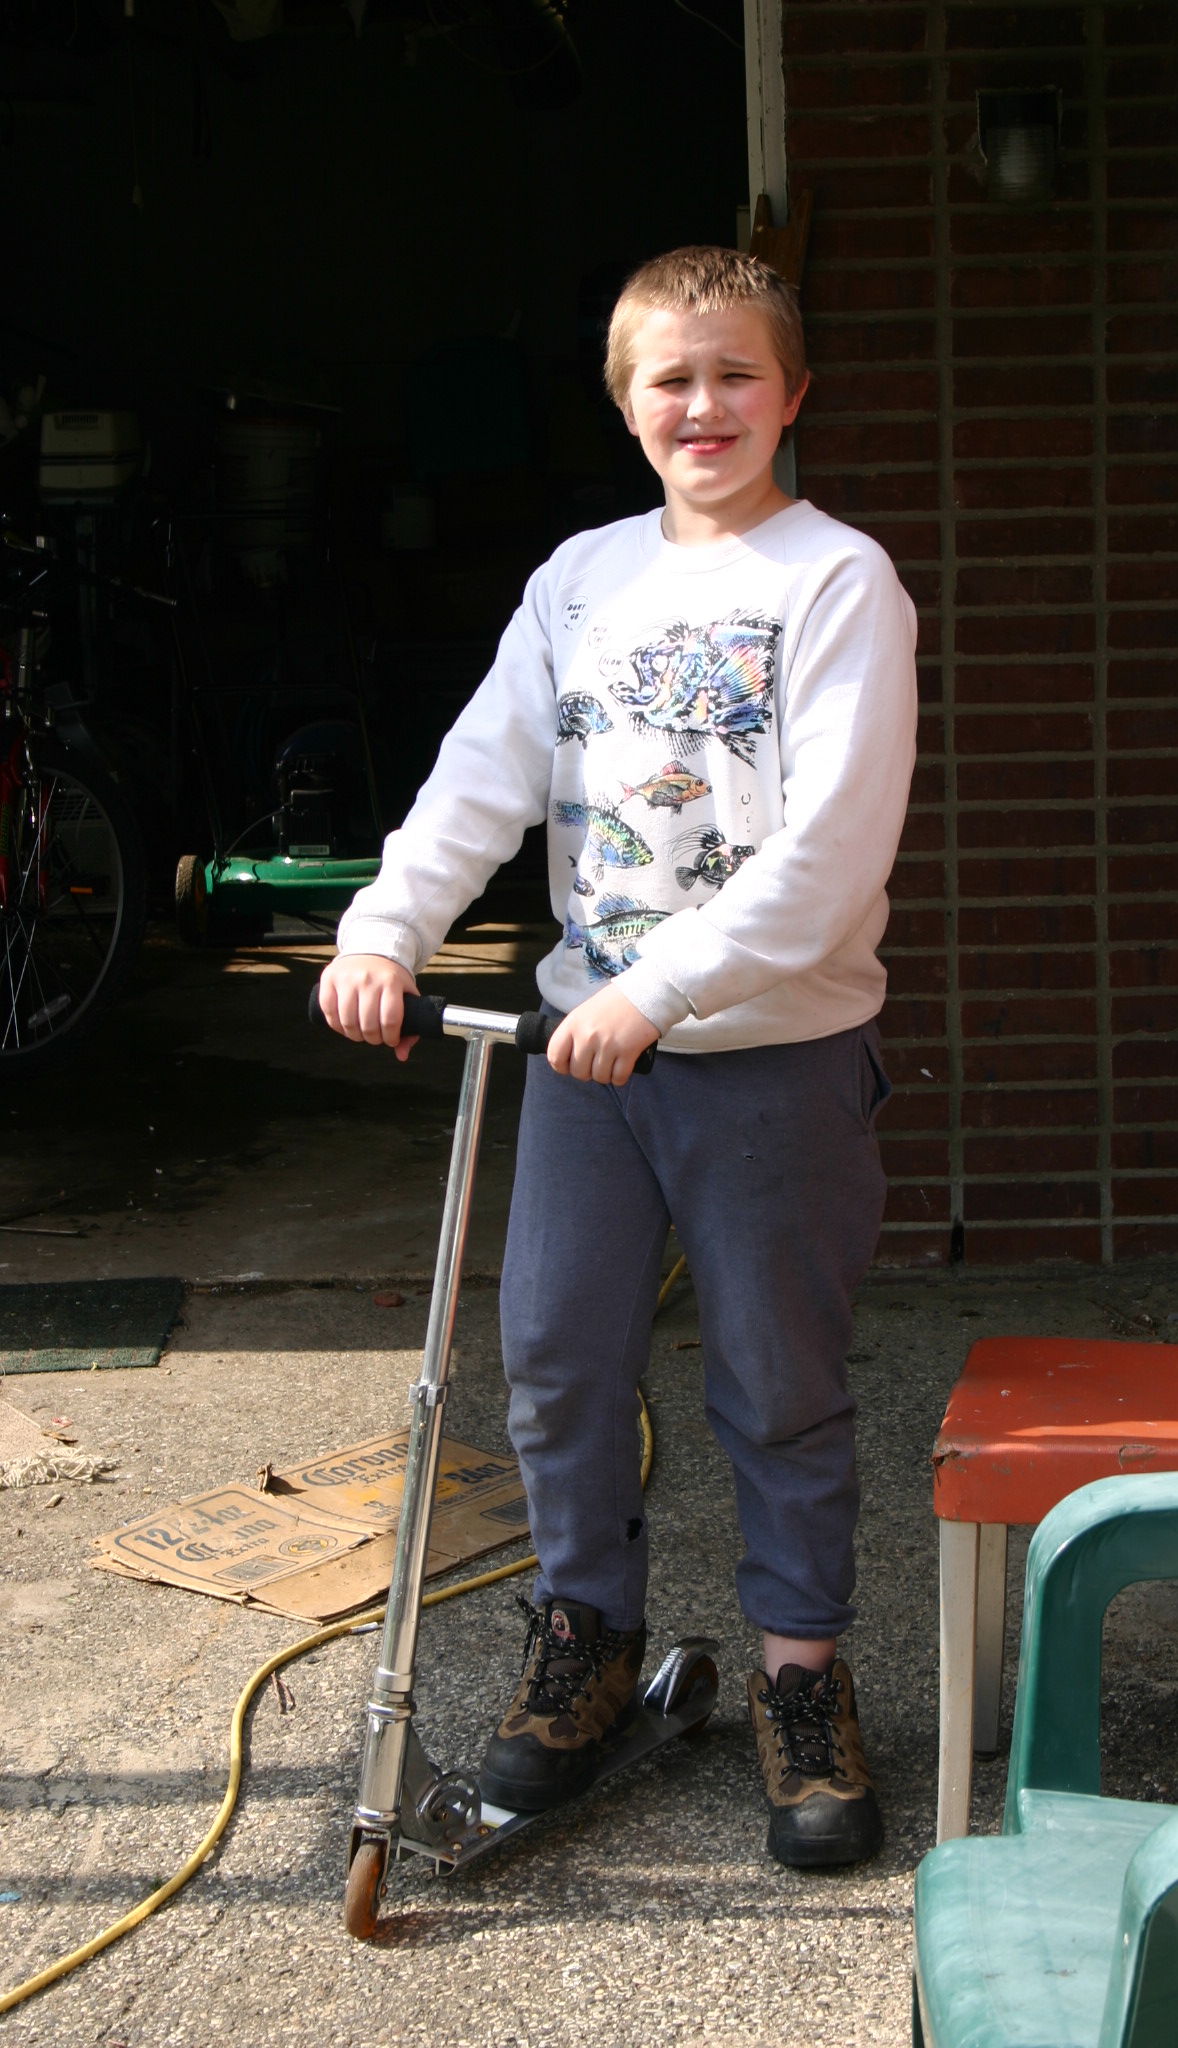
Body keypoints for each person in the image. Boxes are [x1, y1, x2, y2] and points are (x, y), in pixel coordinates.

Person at [319, 245, 917, 1868]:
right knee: (556, 1359)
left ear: (792, 394)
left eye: (737, 375)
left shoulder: (835, 581)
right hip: (590, 1062)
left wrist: (665, 988)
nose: (704, 405)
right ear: (627, 404)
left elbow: (833, 855)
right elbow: (485, 770)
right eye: (672, 379)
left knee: (777, 1382)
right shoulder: (580, 580)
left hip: (770, 1055)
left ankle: (802, 1677)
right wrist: (388, 931)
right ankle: (582, 1638)